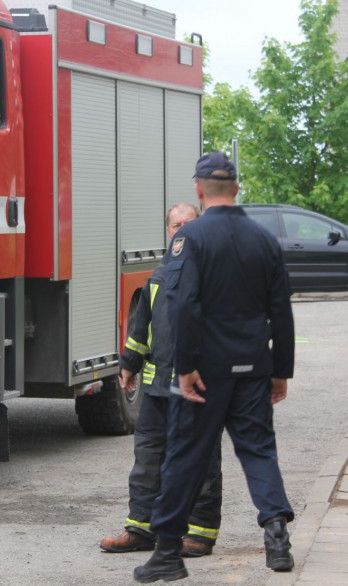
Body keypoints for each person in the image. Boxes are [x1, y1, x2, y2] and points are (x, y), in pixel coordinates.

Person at [133, 151, 296, 583]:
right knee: (258, 450)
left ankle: (167, 554)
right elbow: (281, 311)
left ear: (200, 190)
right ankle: (276, 536)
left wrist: (183, 366)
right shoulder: (264, 240)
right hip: (254, 369)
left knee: (184, 457)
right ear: (237, 189)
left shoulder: (191, 239)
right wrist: (280, 370)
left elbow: (182, 304)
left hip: (204, 373)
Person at [100, 203, 224, 559]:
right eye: (175, 225)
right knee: (148, 458)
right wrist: (129, 364)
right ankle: (141, 528)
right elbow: (142, 327)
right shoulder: (158, 275)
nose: (181, 229)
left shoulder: (215, 275)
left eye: (188, 223)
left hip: (199, 386)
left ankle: (199, 534)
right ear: (168, 231)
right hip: (157, 388)